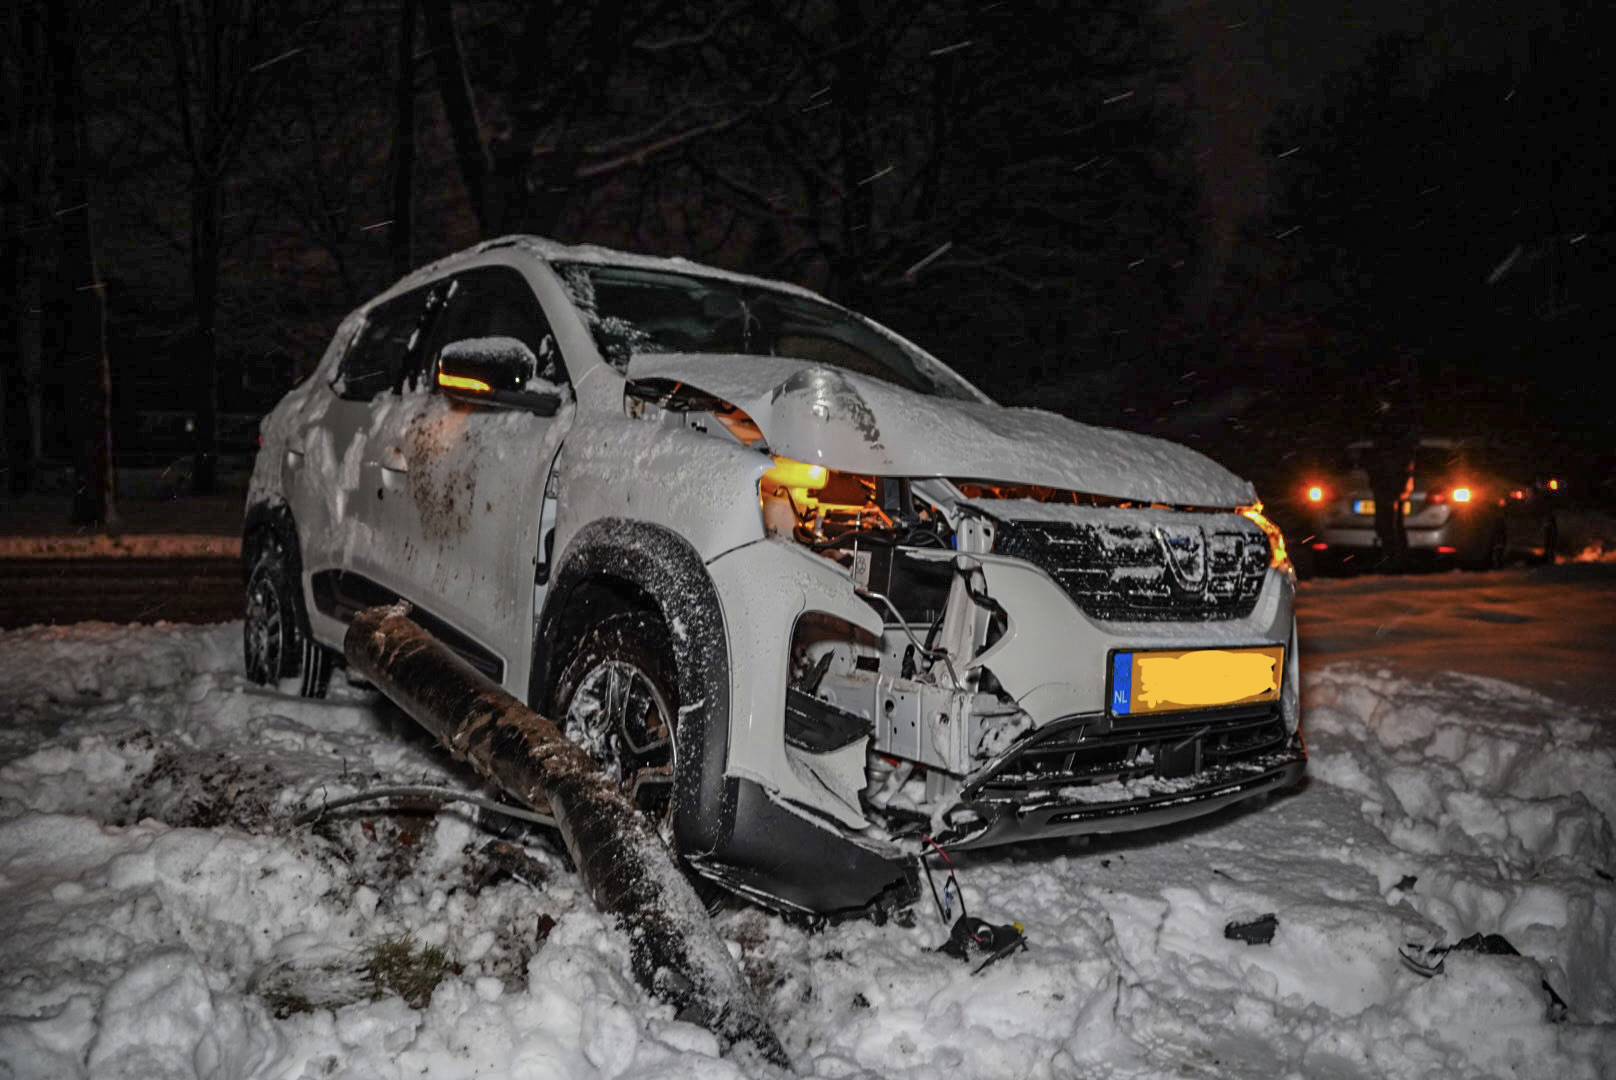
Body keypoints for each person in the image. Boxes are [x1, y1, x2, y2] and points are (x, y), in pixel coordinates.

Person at [1365, 402, 1419, 569]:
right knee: (1386, 524)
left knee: (1390, 525)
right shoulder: (1387, 442)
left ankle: (1395, 559)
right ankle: (1394, 557)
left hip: (1390, 486)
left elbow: (1402, 464)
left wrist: (1399, 486)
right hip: (1385, 485)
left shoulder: (1395, 443)